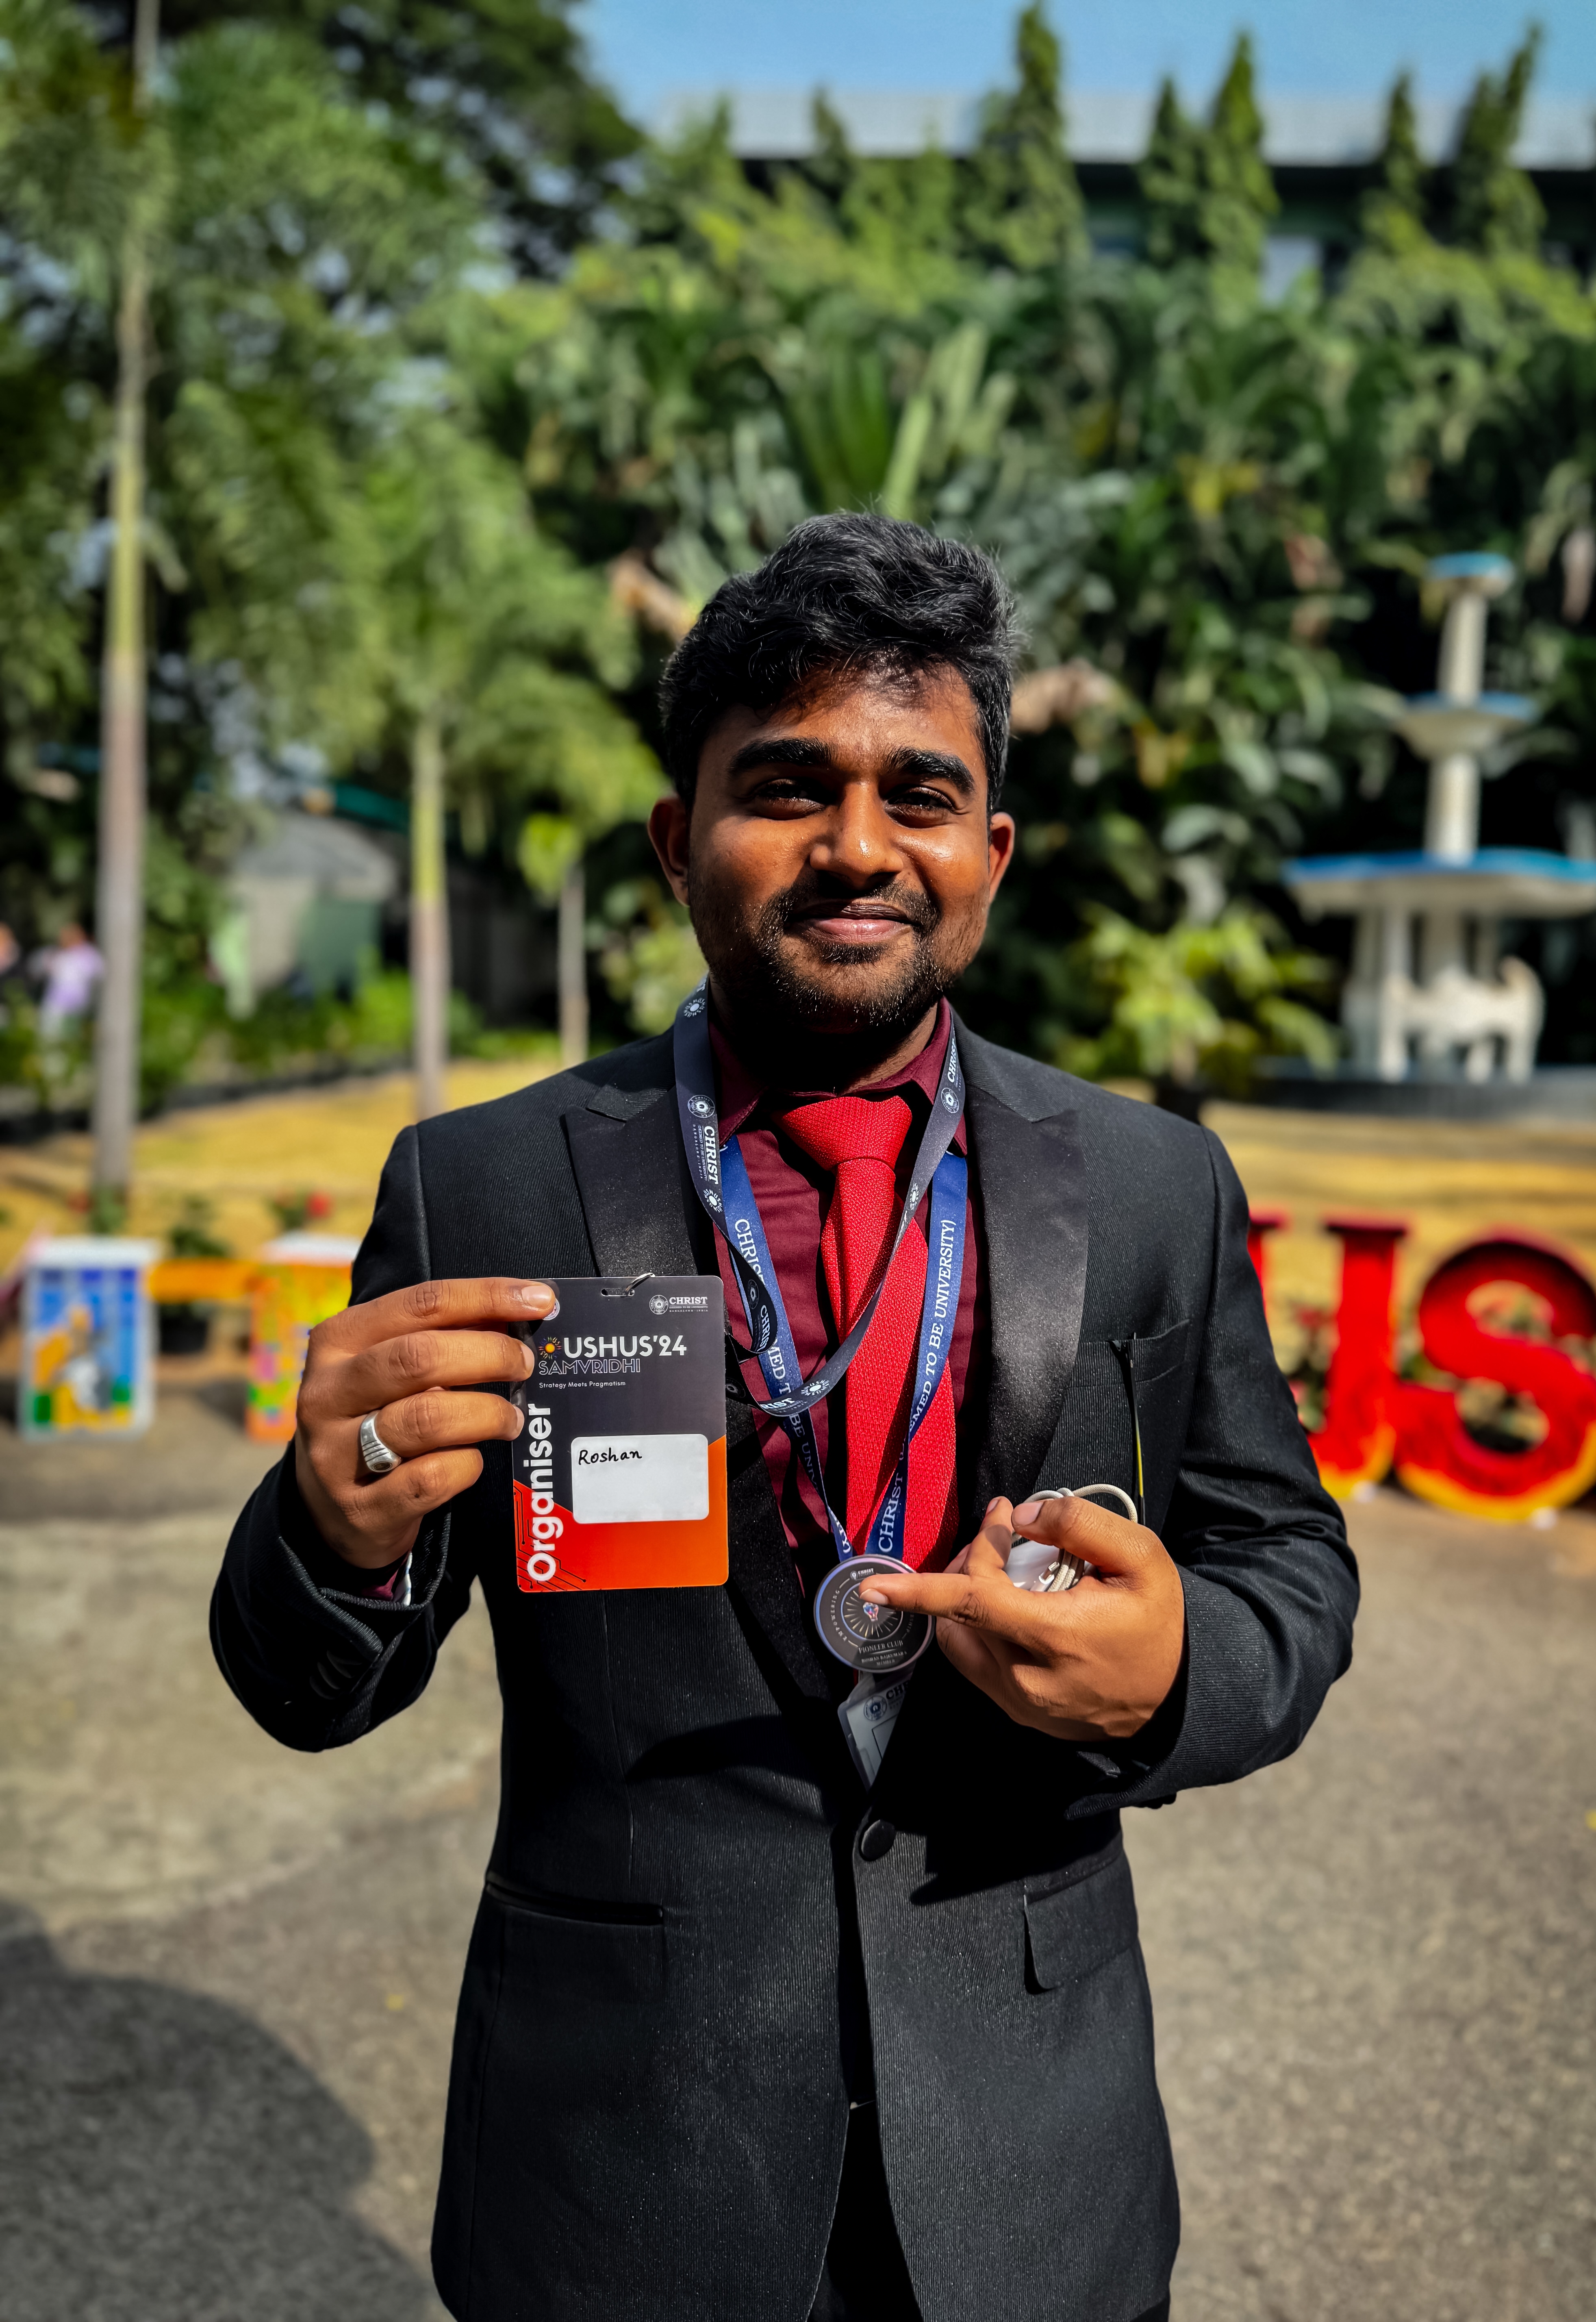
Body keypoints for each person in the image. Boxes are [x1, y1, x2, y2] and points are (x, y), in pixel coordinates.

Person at [212, 514, 1357, 2322]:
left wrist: (1179, 1672)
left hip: (1030, 2172)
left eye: (919, 791)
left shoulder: (1154, 1185)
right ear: (681, 840)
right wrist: (330, 1526)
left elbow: (1289, 1558)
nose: (856, 846)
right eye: (787, 784)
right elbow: (311, 1680)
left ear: (990, 848)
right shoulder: (482, 1187)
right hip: (622, 2166)